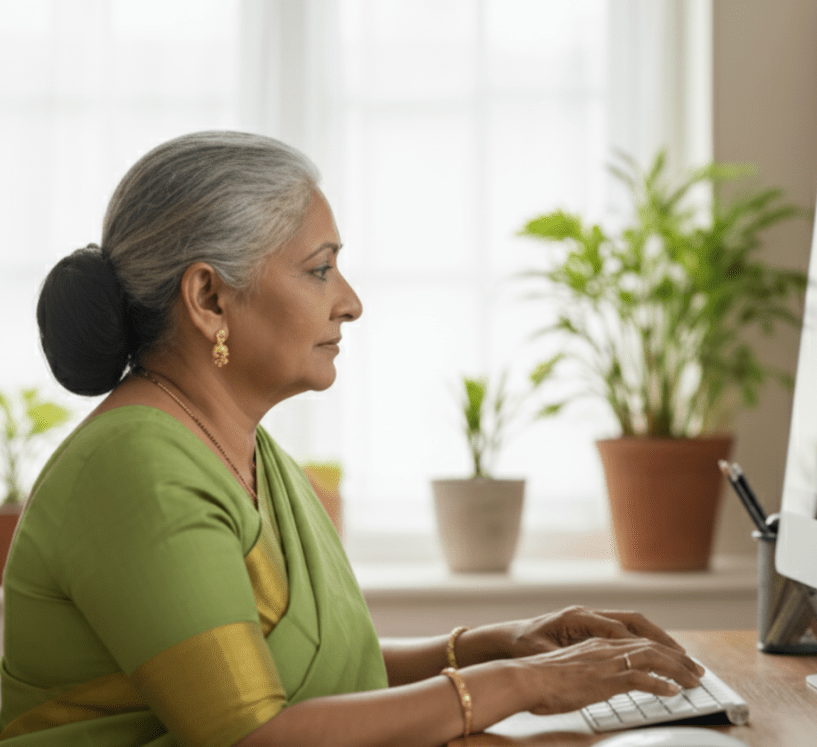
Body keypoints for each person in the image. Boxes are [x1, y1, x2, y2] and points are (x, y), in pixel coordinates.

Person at [1, 131, 704, 747]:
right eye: (319, 269)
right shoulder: (137, 467)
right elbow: (256, 734)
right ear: (210, 298)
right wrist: (523, 684)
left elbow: (307, 680)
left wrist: (495, 644)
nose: (350, 301)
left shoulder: (231, 444)